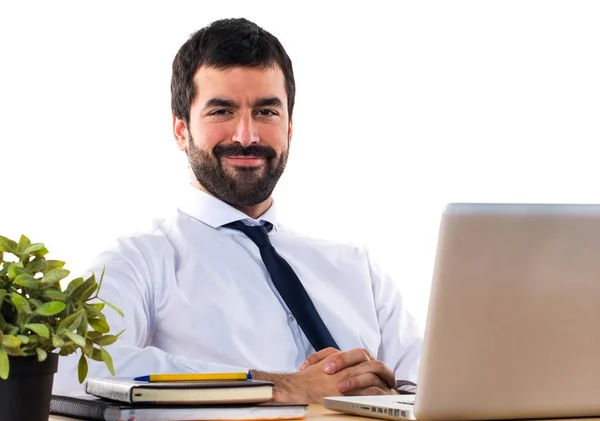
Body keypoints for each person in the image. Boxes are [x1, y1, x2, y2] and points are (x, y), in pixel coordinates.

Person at [53, 17, 422, 403]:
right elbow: (74, 365)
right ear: (181, 130)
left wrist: (394, 391)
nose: (246, 135)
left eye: (266, 112)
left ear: (290, 128)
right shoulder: (140, 262)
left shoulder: (357, 269)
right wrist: (276, 387)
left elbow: (440, 384)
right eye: (221, 112)